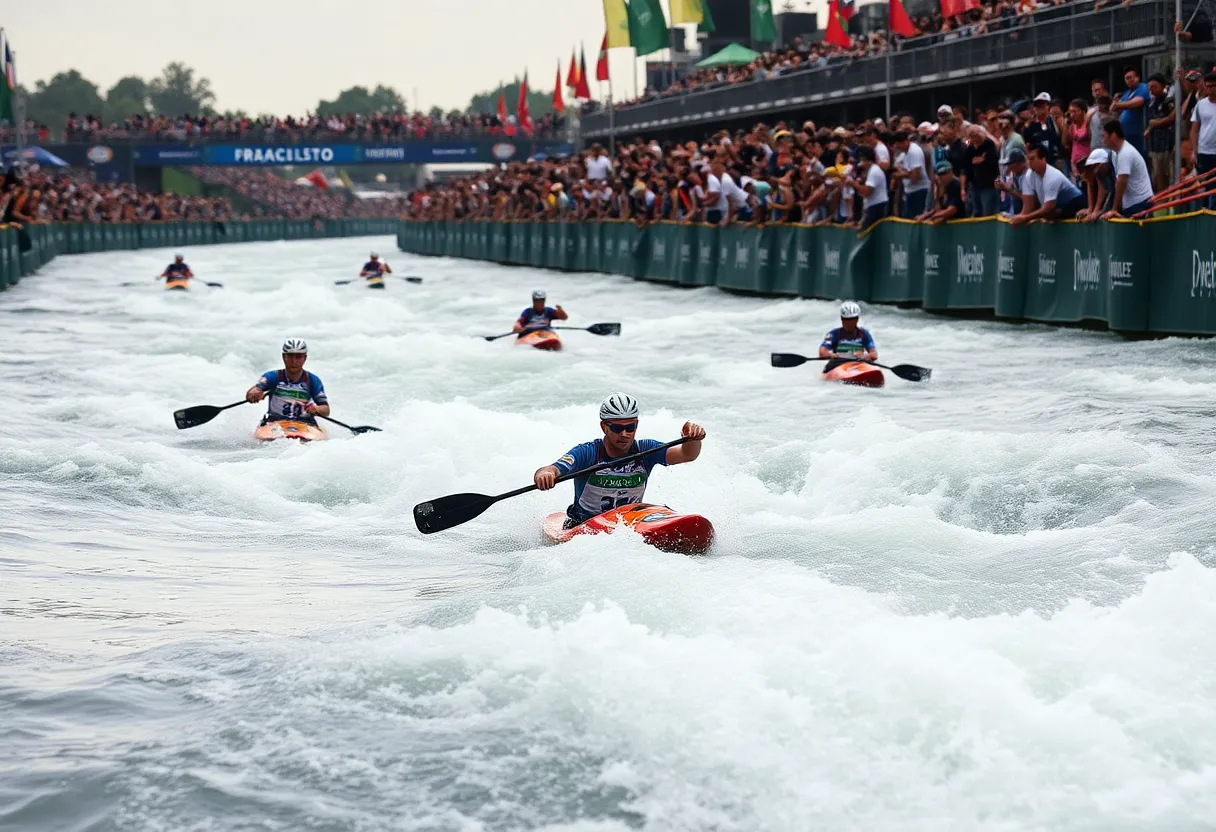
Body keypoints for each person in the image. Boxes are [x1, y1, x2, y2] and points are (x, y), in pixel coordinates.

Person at [532, 393, 707, 528]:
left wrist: (692, 439)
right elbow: (552, 469)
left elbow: (687, 455)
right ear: (604, 427)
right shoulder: (587, 452)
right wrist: (545, 474)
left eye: (630, 427)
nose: (624, 434)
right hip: (584, 526)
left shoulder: (646, 449)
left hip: (628, 523)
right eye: (617, 428)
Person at [245, 339, 330, 425]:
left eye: (298, 357)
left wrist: (316, 409)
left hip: (305, 423)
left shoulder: (313, 380)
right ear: (283, 357)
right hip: (274, 423)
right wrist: (254, 394)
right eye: (290, 356)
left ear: (305, 358)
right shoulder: (271, 376)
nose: (294, 361)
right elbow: (253, 391)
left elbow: (326, 410)